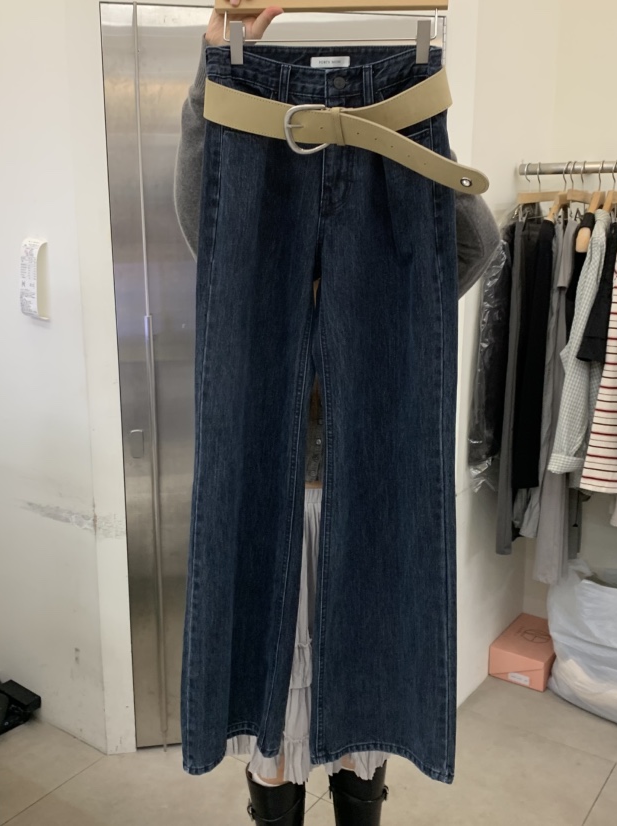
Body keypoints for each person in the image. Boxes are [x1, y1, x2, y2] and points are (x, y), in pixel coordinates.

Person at [175, 4, 500, 824]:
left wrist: (416, 132)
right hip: (280, 495)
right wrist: (215, 77)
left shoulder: (388, 272)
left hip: (363, 492)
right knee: (276, 702)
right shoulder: (250, 249)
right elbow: (201, 209)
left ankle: (359, 806)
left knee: (363, 692)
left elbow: (473, 241)